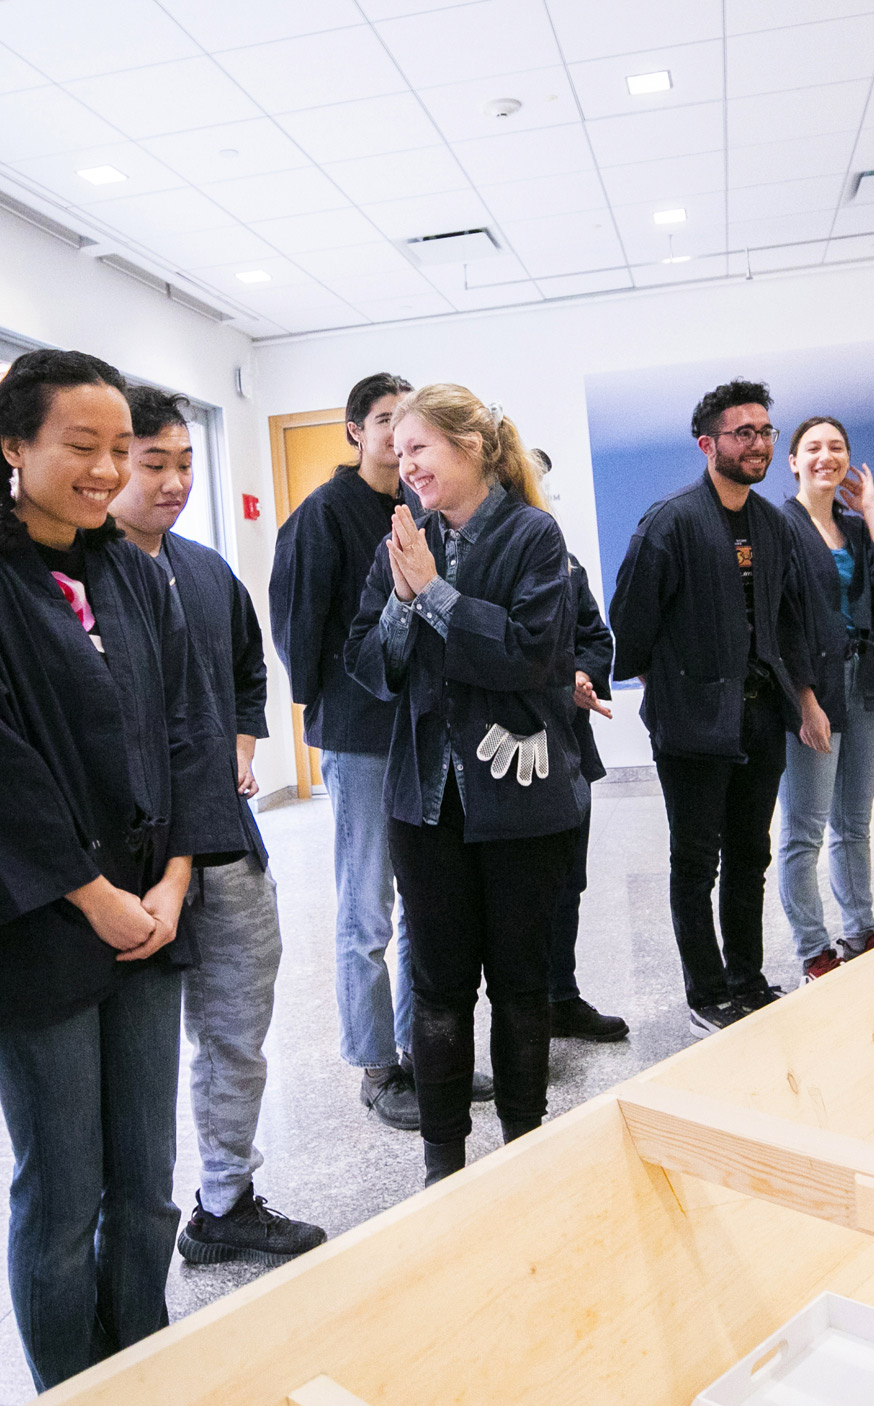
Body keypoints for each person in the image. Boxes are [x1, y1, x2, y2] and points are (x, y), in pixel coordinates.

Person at [0, 350, 223, 1386]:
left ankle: (141, 1362)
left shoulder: (135, 573)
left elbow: (187, 727)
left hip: (149, 909)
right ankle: (70, 1381)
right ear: (13, 447)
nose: (104, 471)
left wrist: (175, 877)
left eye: (115, 451)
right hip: (43, 915)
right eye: (78, 447)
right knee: (61, 1188)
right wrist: (90, 894)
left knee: (144, 1182)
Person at [343, 385, 584, 1187]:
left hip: (521, 800)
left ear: (472, 448)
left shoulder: (532, 537)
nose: (404, 464)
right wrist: (405, 603)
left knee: (520, 986)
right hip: (425, 802)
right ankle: (441, 1163)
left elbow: (529, 655)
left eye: (421, 448)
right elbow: (370, 667)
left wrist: (436, 595)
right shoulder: (403, 542)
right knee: (438, 990)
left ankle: (525, 1145)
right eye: (398, 449)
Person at [109, 386, 327, 1265]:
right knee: (138, 1054)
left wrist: (240, 743)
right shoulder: (81, 578)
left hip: (229, 845)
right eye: (151, 464)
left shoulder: (203, 570)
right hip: (129, 864)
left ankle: (225, 1199)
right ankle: (127, 1222)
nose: (171, 483)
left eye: (183, 464)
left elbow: (246, 669)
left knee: (236, 1030)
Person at [273, 372, 489, 1128]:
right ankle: (375, 1065)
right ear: (354, 432)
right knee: (367, 909)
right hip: (363, 736)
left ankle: (422, 1051)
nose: (401, 441)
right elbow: (299, 633)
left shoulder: (422, 507)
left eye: (410, 428)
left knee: (422, 904)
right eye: (385, 422)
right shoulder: (321, 516)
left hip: (424, 730)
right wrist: (335, 708)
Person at [611, 380, 831, 1035]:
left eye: (765, 431)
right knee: (695, 861)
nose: (759, 444)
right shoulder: (670, 521)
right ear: (708, 444)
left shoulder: (772, 524)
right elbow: (632, 620)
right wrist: (669, 689)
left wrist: (807, 702)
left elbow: (788, 618)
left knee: (750, 855)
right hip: (693, 726)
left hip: (762, 718)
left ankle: (748, 981)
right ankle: (706, 993)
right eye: (744, 433)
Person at [774, 416, 874, 983]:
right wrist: (805, 700)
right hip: (814, 689)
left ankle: (860, 929)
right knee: (804, 829)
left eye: (836, 448)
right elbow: (779, 623)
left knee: (854, 823)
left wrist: (872, 510)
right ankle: (814, 949)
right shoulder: (778, 525)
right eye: (813, 448)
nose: (825, 457)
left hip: (867, 683)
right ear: (793, 461)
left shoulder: (855, 529)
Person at [533, 449, 628, 1042]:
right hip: (509, 750)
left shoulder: (565, 564)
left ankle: (560, 997)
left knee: (569, 879)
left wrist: (585, 673)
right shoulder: (471, 557)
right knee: (527, 888)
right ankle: (525, 1008)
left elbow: (594, 634)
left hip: (568, 746)